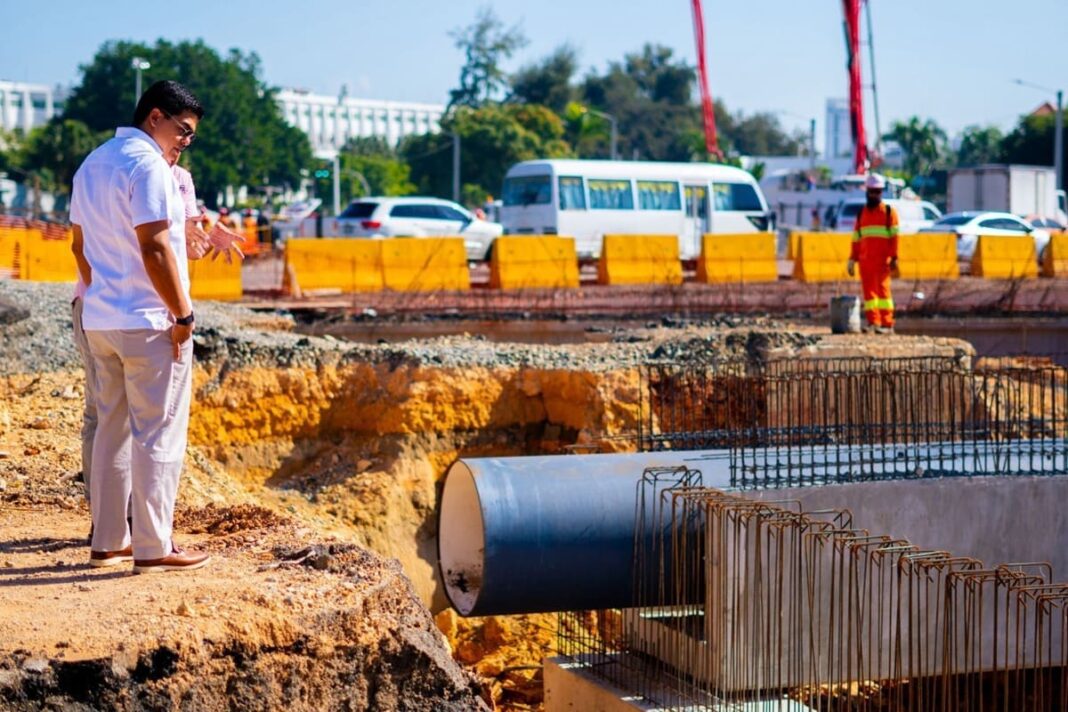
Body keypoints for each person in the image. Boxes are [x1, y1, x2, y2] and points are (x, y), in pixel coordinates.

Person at [69, 80, 210, 573]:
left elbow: (79, 248)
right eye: (183, 130)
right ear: (155, 117)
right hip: (150, 322)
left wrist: (104, 294)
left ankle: (108, 541)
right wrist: (182, 313)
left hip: (102, 319)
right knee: (159, 433)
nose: (185, 142)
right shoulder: (148, 165)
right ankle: (154, 545)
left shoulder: (93, 162)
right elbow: (154, 247)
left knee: (111, 430)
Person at [846, 174, 899, 334]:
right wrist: (851, 259)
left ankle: (887, 324)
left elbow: (894, 238)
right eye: (872, 191)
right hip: (865, 261)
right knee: (869, 294)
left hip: (882, 261)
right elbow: (856, 238)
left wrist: (894, 257)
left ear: (881, 192)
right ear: (867, 191)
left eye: (877, 192)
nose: (874, 195)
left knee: (883, 292)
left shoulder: (889, 212)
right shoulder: (862, 214)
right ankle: (873, 322)